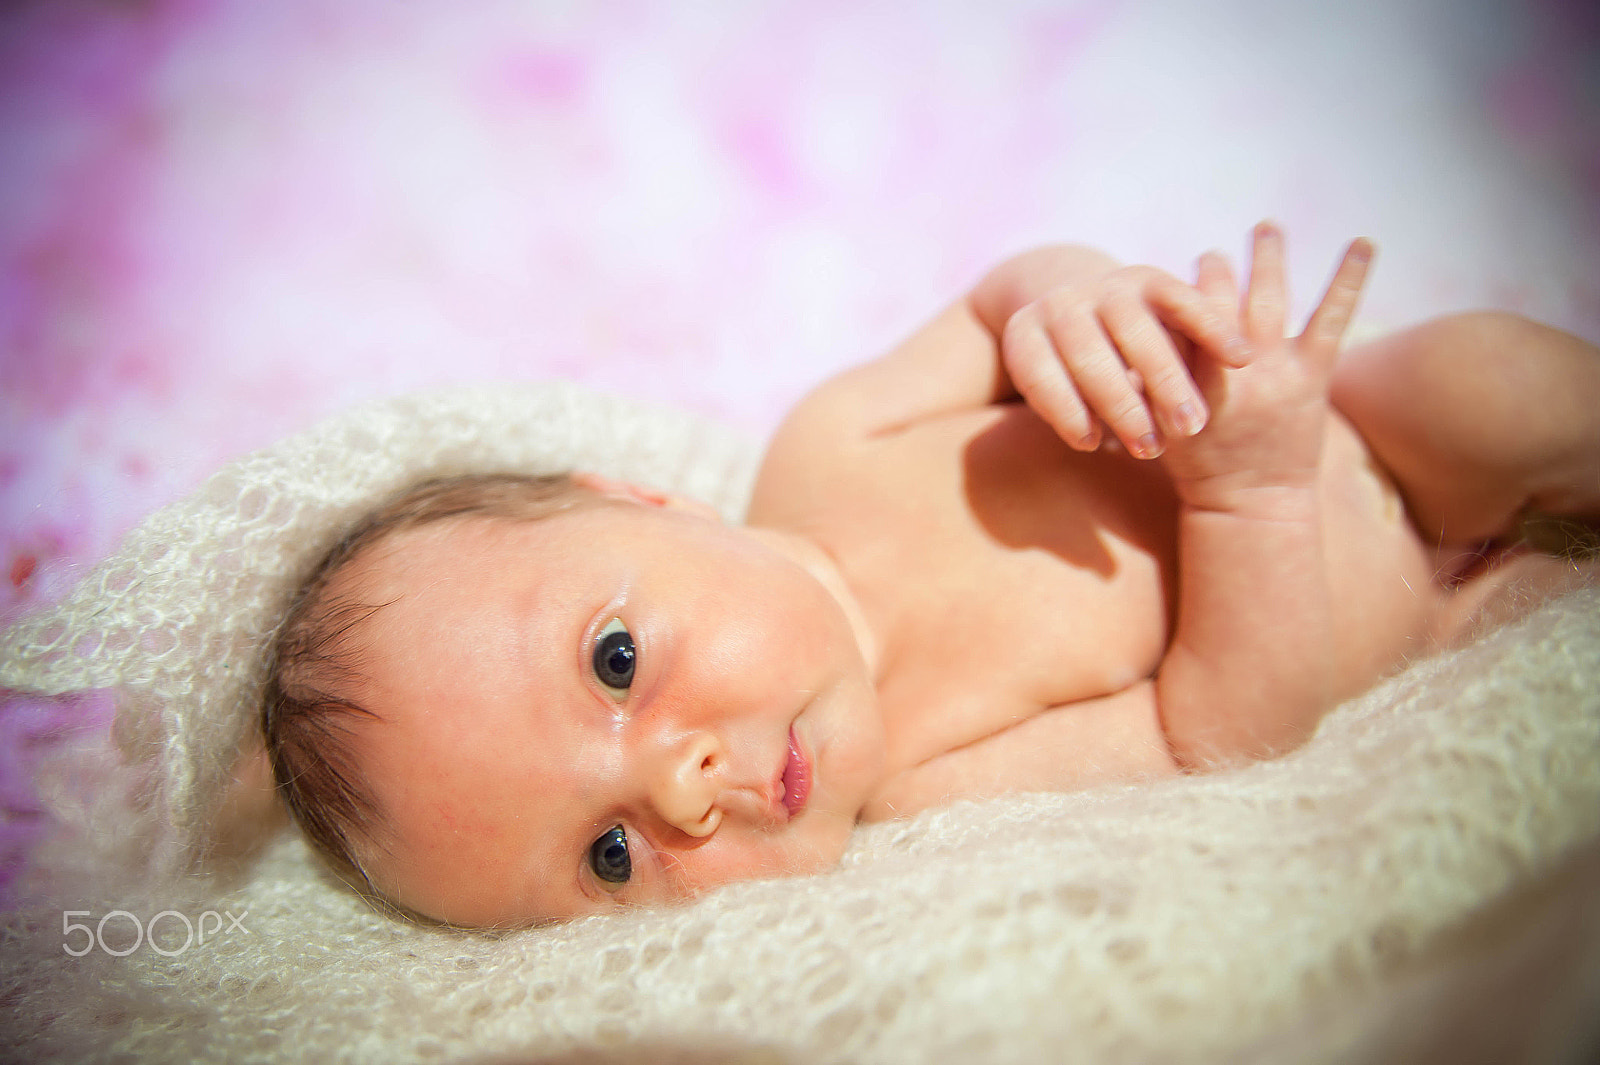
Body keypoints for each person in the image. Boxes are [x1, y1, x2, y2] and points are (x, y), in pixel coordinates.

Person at [262, 222, 1600, 928]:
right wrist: (1247, 488)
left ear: (644, 499)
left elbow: (989, 307)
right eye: (607, 855)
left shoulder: (827, 444)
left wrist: (1072, 300)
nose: (682, 787)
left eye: (618, 663)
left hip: (1371, 434)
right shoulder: (918, 780)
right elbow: (1227, 731)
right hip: (1411, 612)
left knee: (1486, 380)